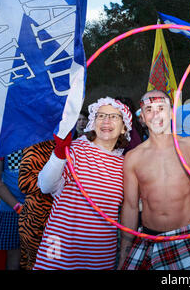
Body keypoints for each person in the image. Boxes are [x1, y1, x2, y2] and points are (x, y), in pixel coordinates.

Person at [33, 97, 132, 270]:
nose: (106, 121)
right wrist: (59, 153)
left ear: (124, 127)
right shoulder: (76, 149)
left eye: (114, 117)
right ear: (93, 122)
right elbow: (45, 185)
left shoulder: (125, 163)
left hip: (100, 256)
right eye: (101, 116)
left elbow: (128, 207)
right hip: (60, 252)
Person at [119, 90, 190, 270]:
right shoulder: (133, 157)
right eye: (149, 109)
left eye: (161, 108)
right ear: (141, 117)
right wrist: (124, 254)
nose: (156, 114)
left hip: (188, 237)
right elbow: (131, 206)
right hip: (149, 238)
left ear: (172, 112)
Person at [18, 139, 56, 270]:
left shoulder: (67, 144)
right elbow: (24, 183)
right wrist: (54, 184)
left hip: (55, 221)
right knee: (37, 264)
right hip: (36, 222)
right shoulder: (36, 145)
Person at [0, 151, 26, 270]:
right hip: (12, 210)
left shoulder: (43, 135)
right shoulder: (1, 140)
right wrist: (18, 207)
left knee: (44, 257)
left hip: (42, 208)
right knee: (14, 259)